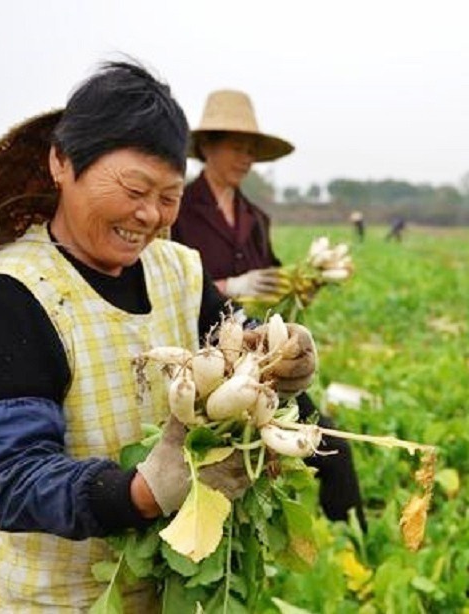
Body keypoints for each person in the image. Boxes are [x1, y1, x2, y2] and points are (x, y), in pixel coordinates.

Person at [0, 61, 317, 610]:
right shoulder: (9, 296)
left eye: (168, 196)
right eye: (134, 188)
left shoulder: (180, 270)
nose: (148, 215)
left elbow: (240, 343)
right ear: (61, 163)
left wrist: (279, 359)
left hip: (168, 591)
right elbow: (8, 476)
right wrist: (140, 492)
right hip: (55, 599)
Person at [171, 89, 367, 531]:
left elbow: (273, 277)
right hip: (201, 362)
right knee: (219, 467)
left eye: (252, 150)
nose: (246, 158)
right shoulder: (177, 208)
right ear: (208, 147)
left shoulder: (255, 216)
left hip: (258, 354)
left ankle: (356, 542)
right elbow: (168, 282)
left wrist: (301, 285)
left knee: (328, 440)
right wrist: (226, 287)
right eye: (237, 147)